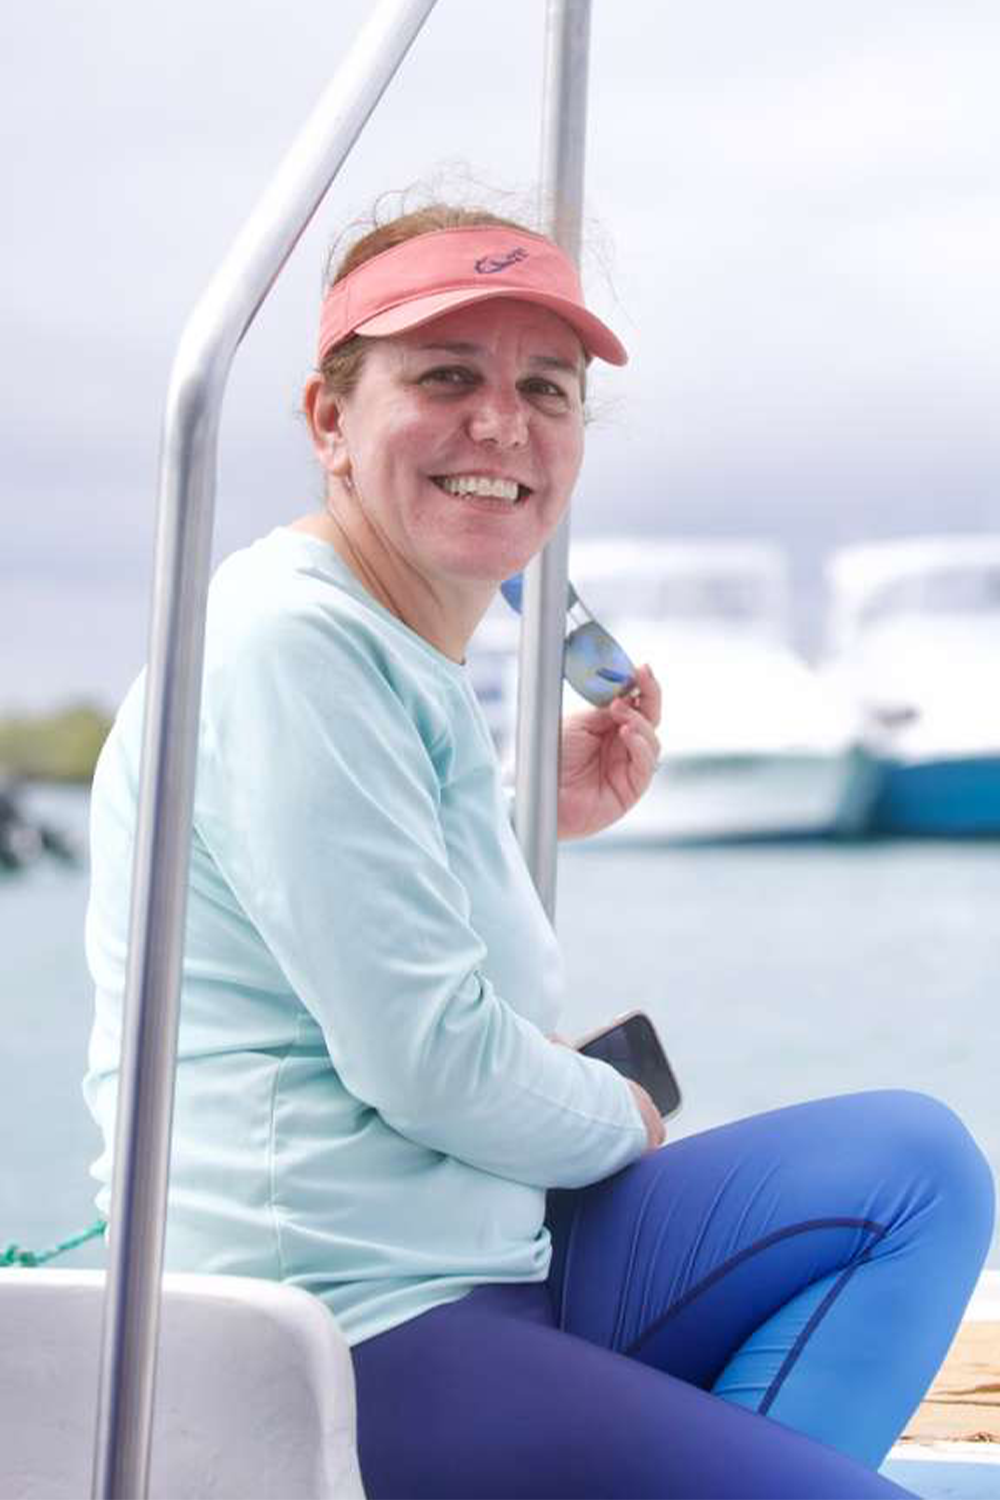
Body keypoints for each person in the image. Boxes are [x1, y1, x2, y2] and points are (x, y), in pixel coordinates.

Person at [84, 202, 994, 1499]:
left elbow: (351, 908)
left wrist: (523, 817)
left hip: (479, 1254)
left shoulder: (389, 648)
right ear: (330, 421)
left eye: (544, 388)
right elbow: (434, 1063)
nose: (501, 422)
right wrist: (621, 1116)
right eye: (446, 375)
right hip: (347, 1326)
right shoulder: (293, 646)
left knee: (914, 1163)